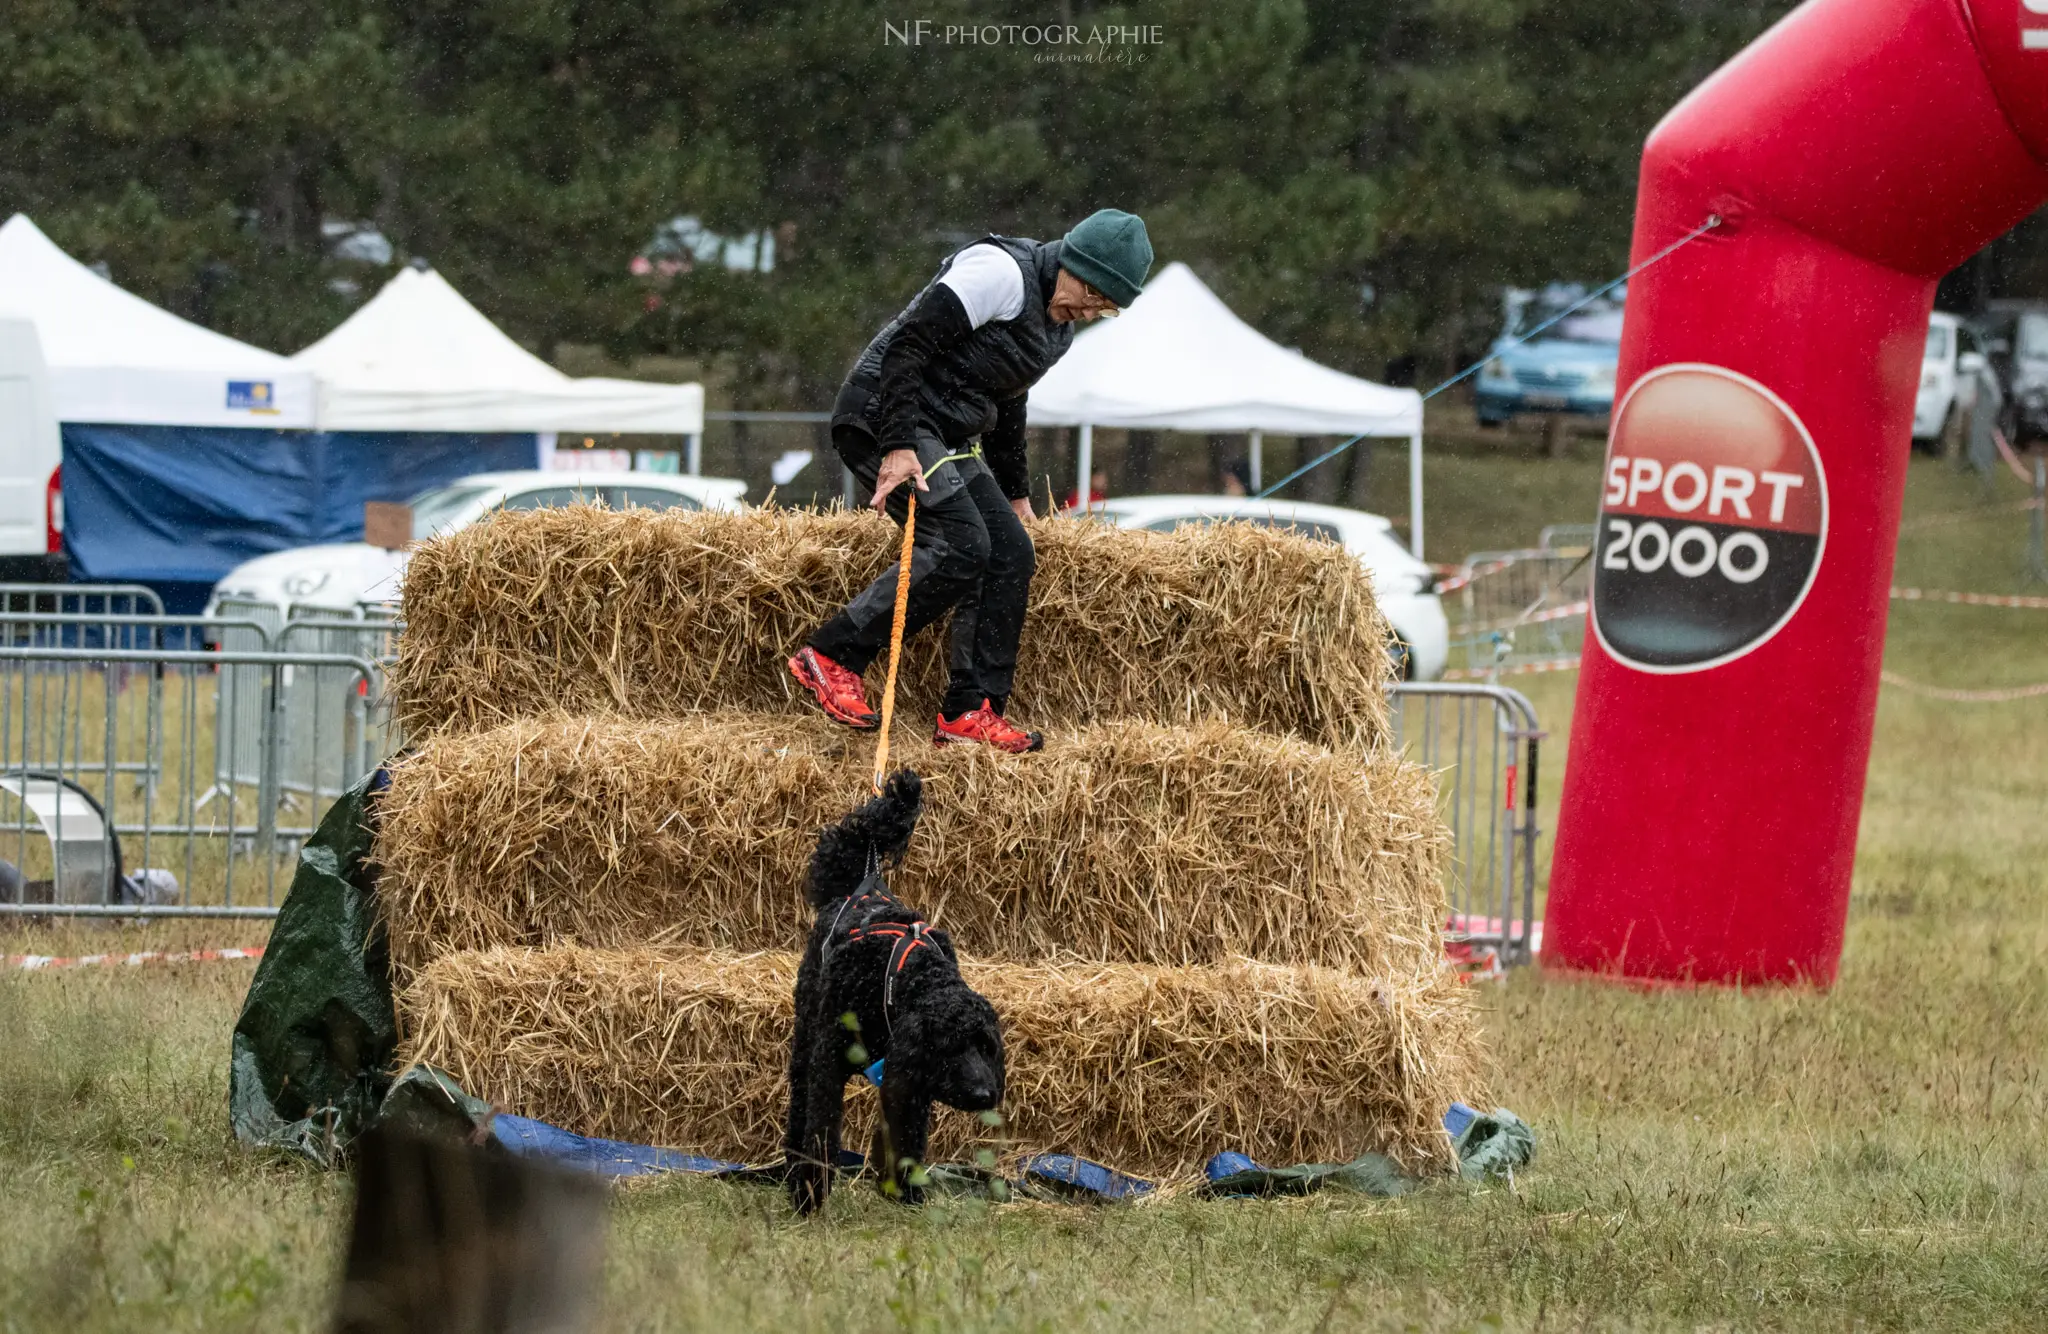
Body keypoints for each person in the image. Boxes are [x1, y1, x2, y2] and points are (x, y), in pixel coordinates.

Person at [789, 210, 1154, 753]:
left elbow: (1010, 404)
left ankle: (969, 710)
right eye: (1092, 293)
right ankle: (833, 655)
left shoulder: (1058, 331)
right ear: (1072, 262)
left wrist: (1016, 492)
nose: (1092, 310)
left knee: (1010, 551)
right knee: (962, 544)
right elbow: (907, 345)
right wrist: (897, 443)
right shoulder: (1000, 273)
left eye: (1107, 306)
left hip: (945, 434)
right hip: (885, 414)